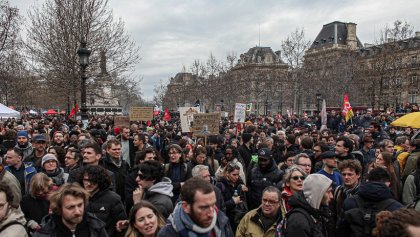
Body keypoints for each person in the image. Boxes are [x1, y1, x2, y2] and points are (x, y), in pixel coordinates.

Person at [336, 167, 404, 237]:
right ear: (388, 183)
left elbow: (340, 231)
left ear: (367, 180)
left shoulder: (349, 202)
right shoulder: (397, 207)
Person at [157, 177, 234, 237]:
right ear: (186, 207)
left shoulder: (221, 220)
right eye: (204, 207)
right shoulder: (168, 234)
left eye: (213, 205)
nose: (212, 214)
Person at [33, 182, 108, 237]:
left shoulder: (97, 227)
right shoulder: (44, 233)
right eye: (70, 207)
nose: (77, 212)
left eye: (80, 205)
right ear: (59, 208)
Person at [77, 165, 127, 237]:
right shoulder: (78, 197)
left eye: (92, 180)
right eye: (86, 180)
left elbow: (122, 225)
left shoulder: (113, 198)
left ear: (100, 180)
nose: (89, 184)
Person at [215, 162, 247, 230]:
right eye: (234, 175)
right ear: (227, 174)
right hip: (227, 220)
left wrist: (243, 188)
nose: (236, 177)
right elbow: (219, 206)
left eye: (238, 175)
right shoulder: (220, 185)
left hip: (238, 218)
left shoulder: (239, 183)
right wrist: (233, 201)